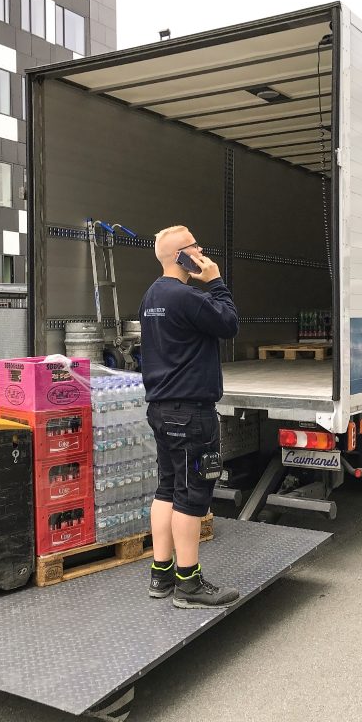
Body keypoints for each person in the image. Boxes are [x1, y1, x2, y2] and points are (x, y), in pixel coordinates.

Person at [139, 225, 240, 609]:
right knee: (192, 496)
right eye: (197, 246)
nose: (202, 251)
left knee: (167, 488)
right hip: (190, 413)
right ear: (183, 255)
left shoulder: (152, 296)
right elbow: (229, 323)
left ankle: (161, 576)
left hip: (162, 410)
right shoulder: (186, 296)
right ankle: (189, 583)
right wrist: (215, 282)